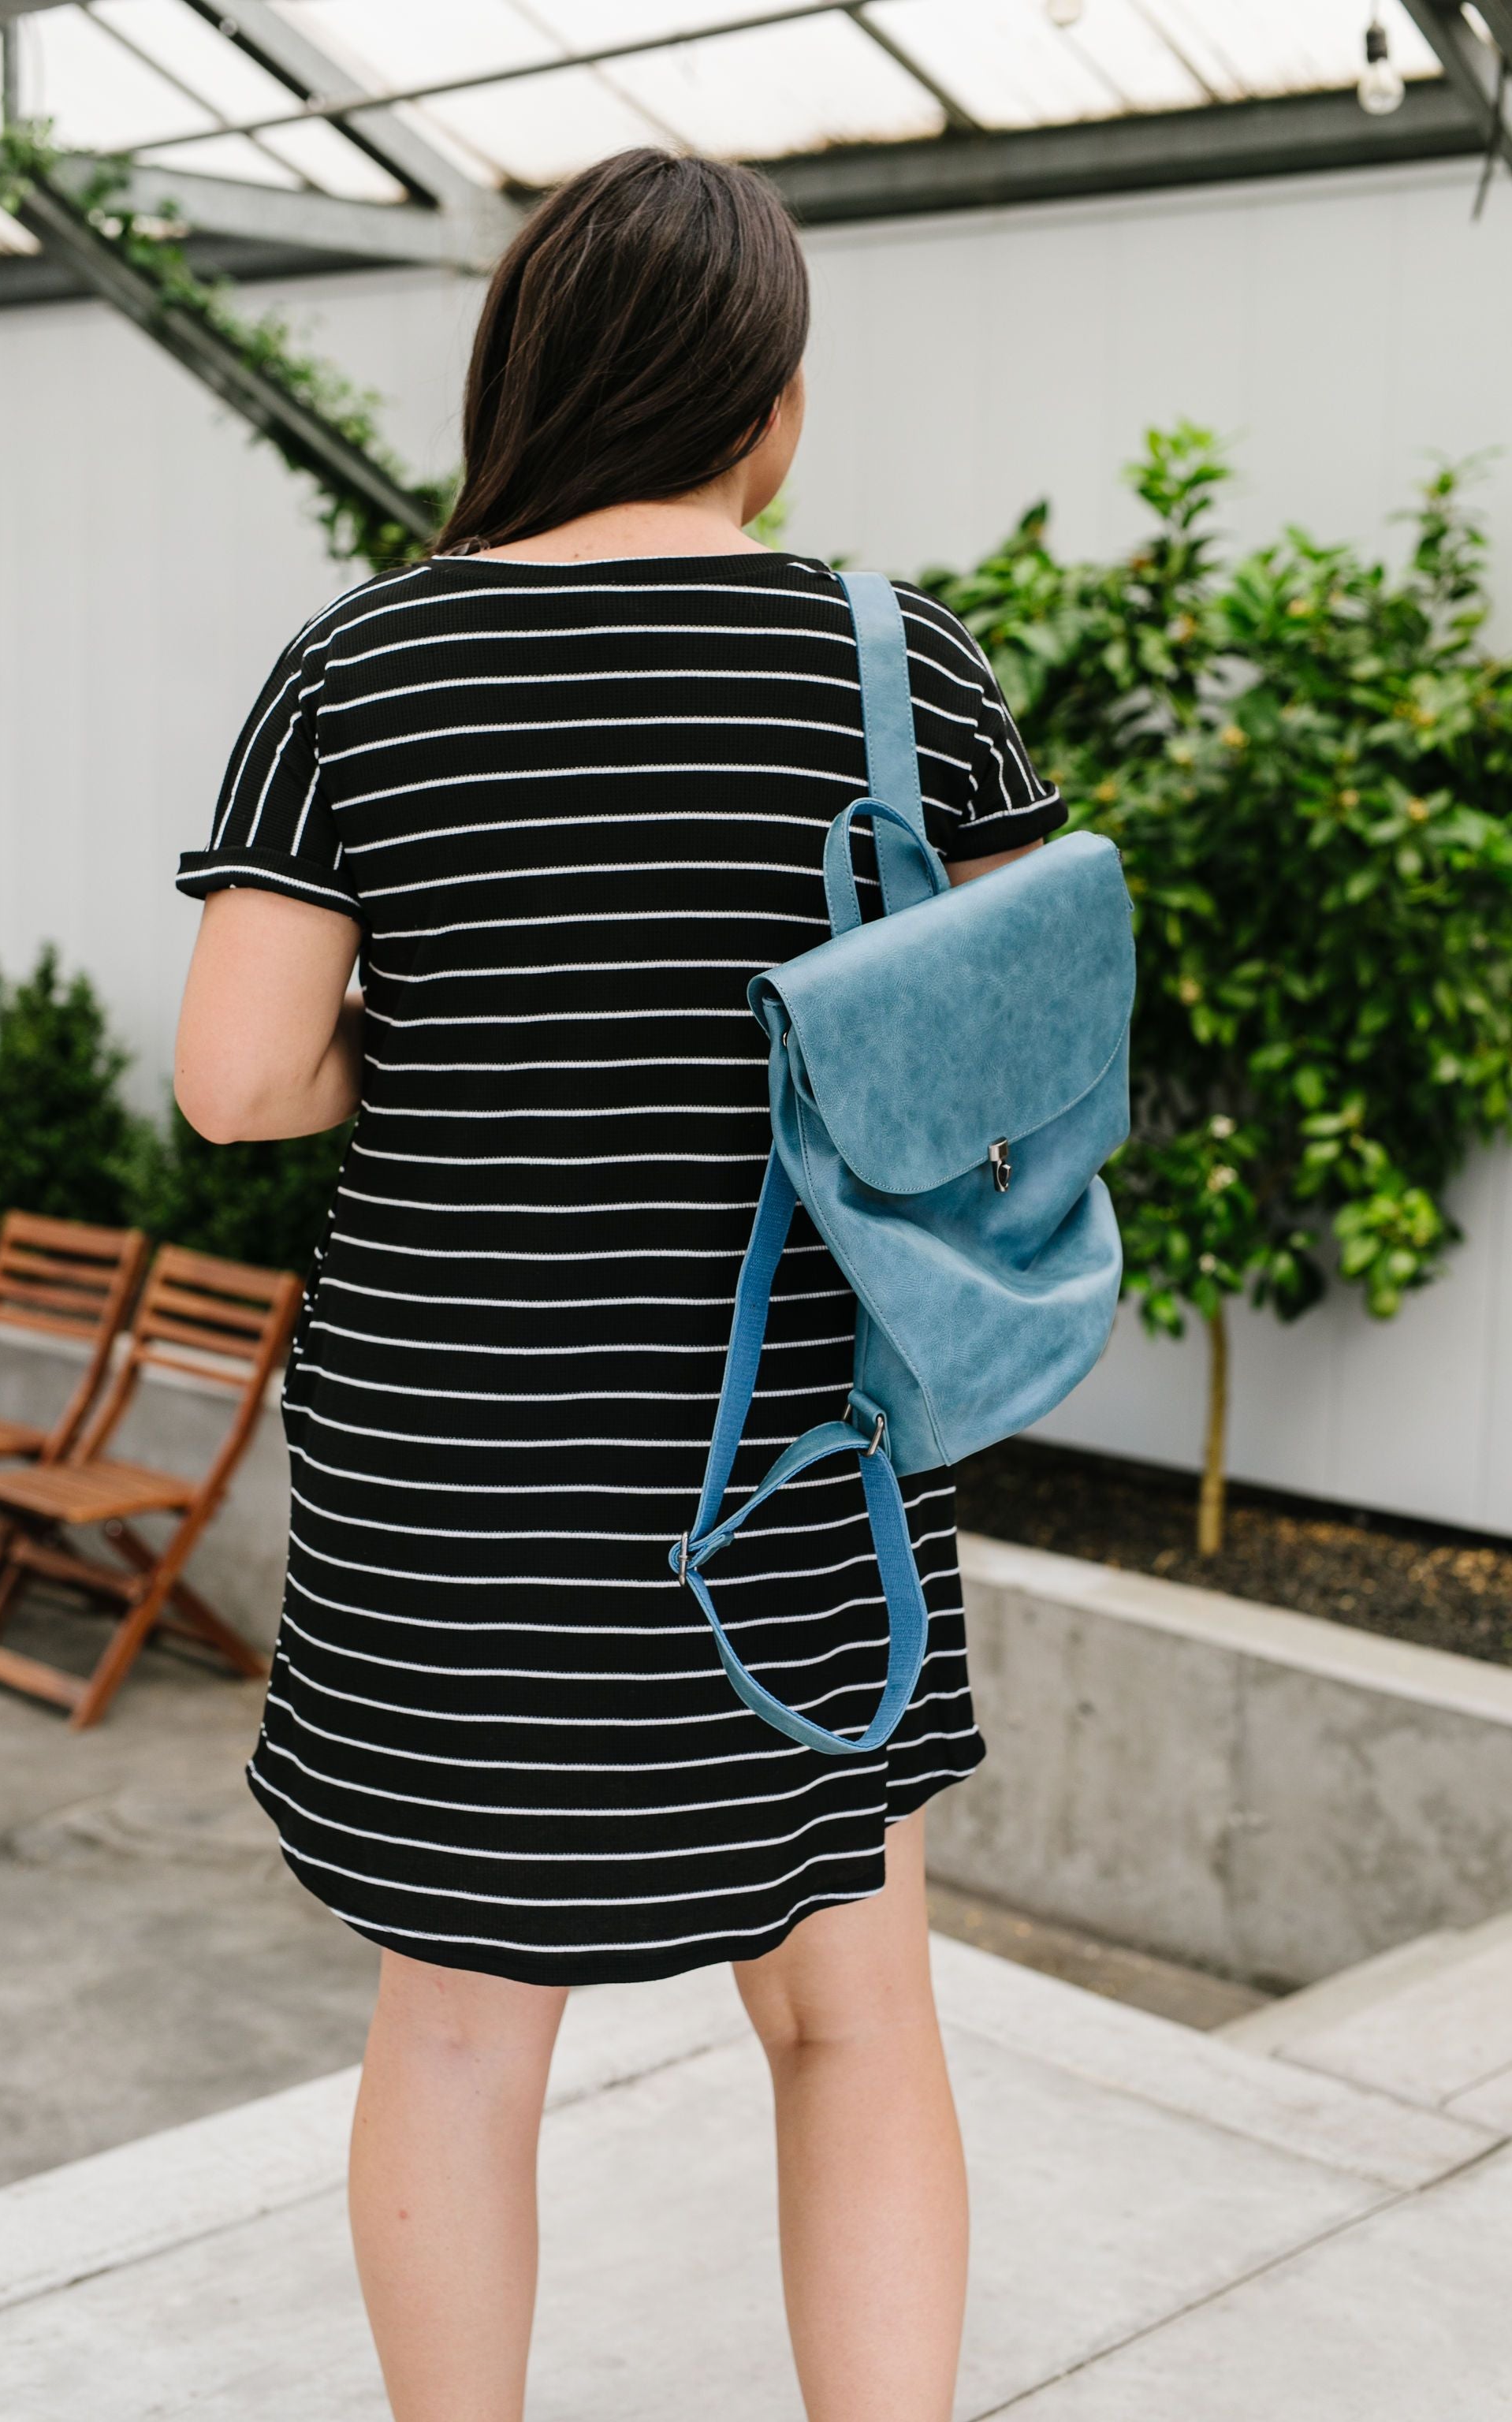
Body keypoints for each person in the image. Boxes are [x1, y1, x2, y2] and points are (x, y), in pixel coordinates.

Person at [174, 146, 1063, 2422]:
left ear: (531, 376)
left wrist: (470, 1034)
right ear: (760, 398)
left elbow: (238, 1079)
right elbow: (1024, 1063)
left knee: (462, 2031)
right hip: (798, 1456)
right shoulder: (893, 658)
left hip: (458, 1477)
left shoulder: (364, 664)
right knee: (856, 2013)